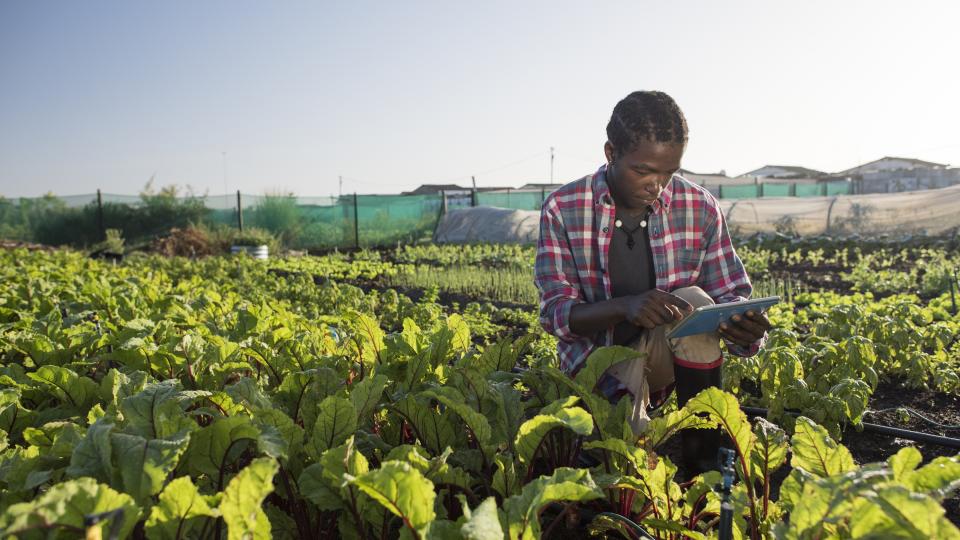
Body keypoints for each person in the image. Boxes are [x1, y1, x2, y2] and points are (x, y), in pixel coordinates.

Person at [534, 90, 770, 472]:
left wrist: (744, 330)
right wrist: (623, 306)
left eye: (668, 172)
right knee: (619, 469)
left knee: (694, 300)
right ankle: (614, 436)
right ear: (611, 153)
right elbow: (556, 315)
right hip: (594, 368)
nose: (656, 185)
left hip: (660, 361)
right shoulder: (564, 208)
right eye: (643, 171)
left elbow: (731, 295)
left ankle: (703, 470)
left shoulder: (700, 207)